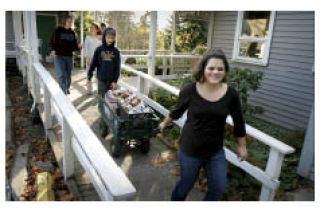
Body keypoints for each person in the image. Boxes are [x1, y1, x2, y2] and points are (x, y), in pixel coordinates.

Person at [159, 49, 248, 201]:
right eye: (211, 68)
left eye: (220, 69)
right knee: (185, 185)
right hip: (190, 151)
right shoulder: (190, 90)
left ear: (225, 72)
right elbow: (177, 111)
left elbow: (238, 121)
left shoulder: (232, 95)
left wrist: (242, 146)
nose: (215, 72)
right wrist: (164, 123)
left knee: (218, 189)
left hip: (215, 152)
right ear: (203, 69)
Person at [86, 27, 120, 111]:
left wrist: (115, 81)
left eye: (112, 38)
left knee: (111, 100)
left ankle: (109, 117)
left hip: (111, 81)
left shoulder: (116, 51)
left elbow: (117, 67)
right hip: (101, 80)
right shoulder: (99, 50)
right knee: (101, 99)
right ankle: (102, 116)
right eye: (108, 37)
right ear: (104, 37)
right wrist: (89, 78)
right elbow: (93, 65)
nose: (110, 40)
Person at [50, 15, 82, 94]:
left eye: (71, 21)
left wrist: (79, 47)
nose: (70, 23)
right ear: (65, 22)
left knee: (68, 75)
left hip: (69, 57)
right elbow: (52, 42)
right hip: (59, 56)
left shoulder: (72, 33)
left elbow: (75, 46)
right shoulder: (58, 30)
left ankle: (66, 88)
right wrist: (52, 50)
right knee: (61, 75)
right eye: (69, 21)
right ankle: (63, 92)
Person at [84, 23, 102, 94]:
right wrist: (87, 57)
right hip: (90, 58)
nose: (91, 29)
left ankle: (99, 90)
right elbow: (86, 48)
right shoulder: (87, 37)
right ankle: (89, 90)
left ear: (97, 30)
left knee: (98, 75)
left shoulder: (100, 38)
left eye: (93, 28)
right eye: (91, 28)